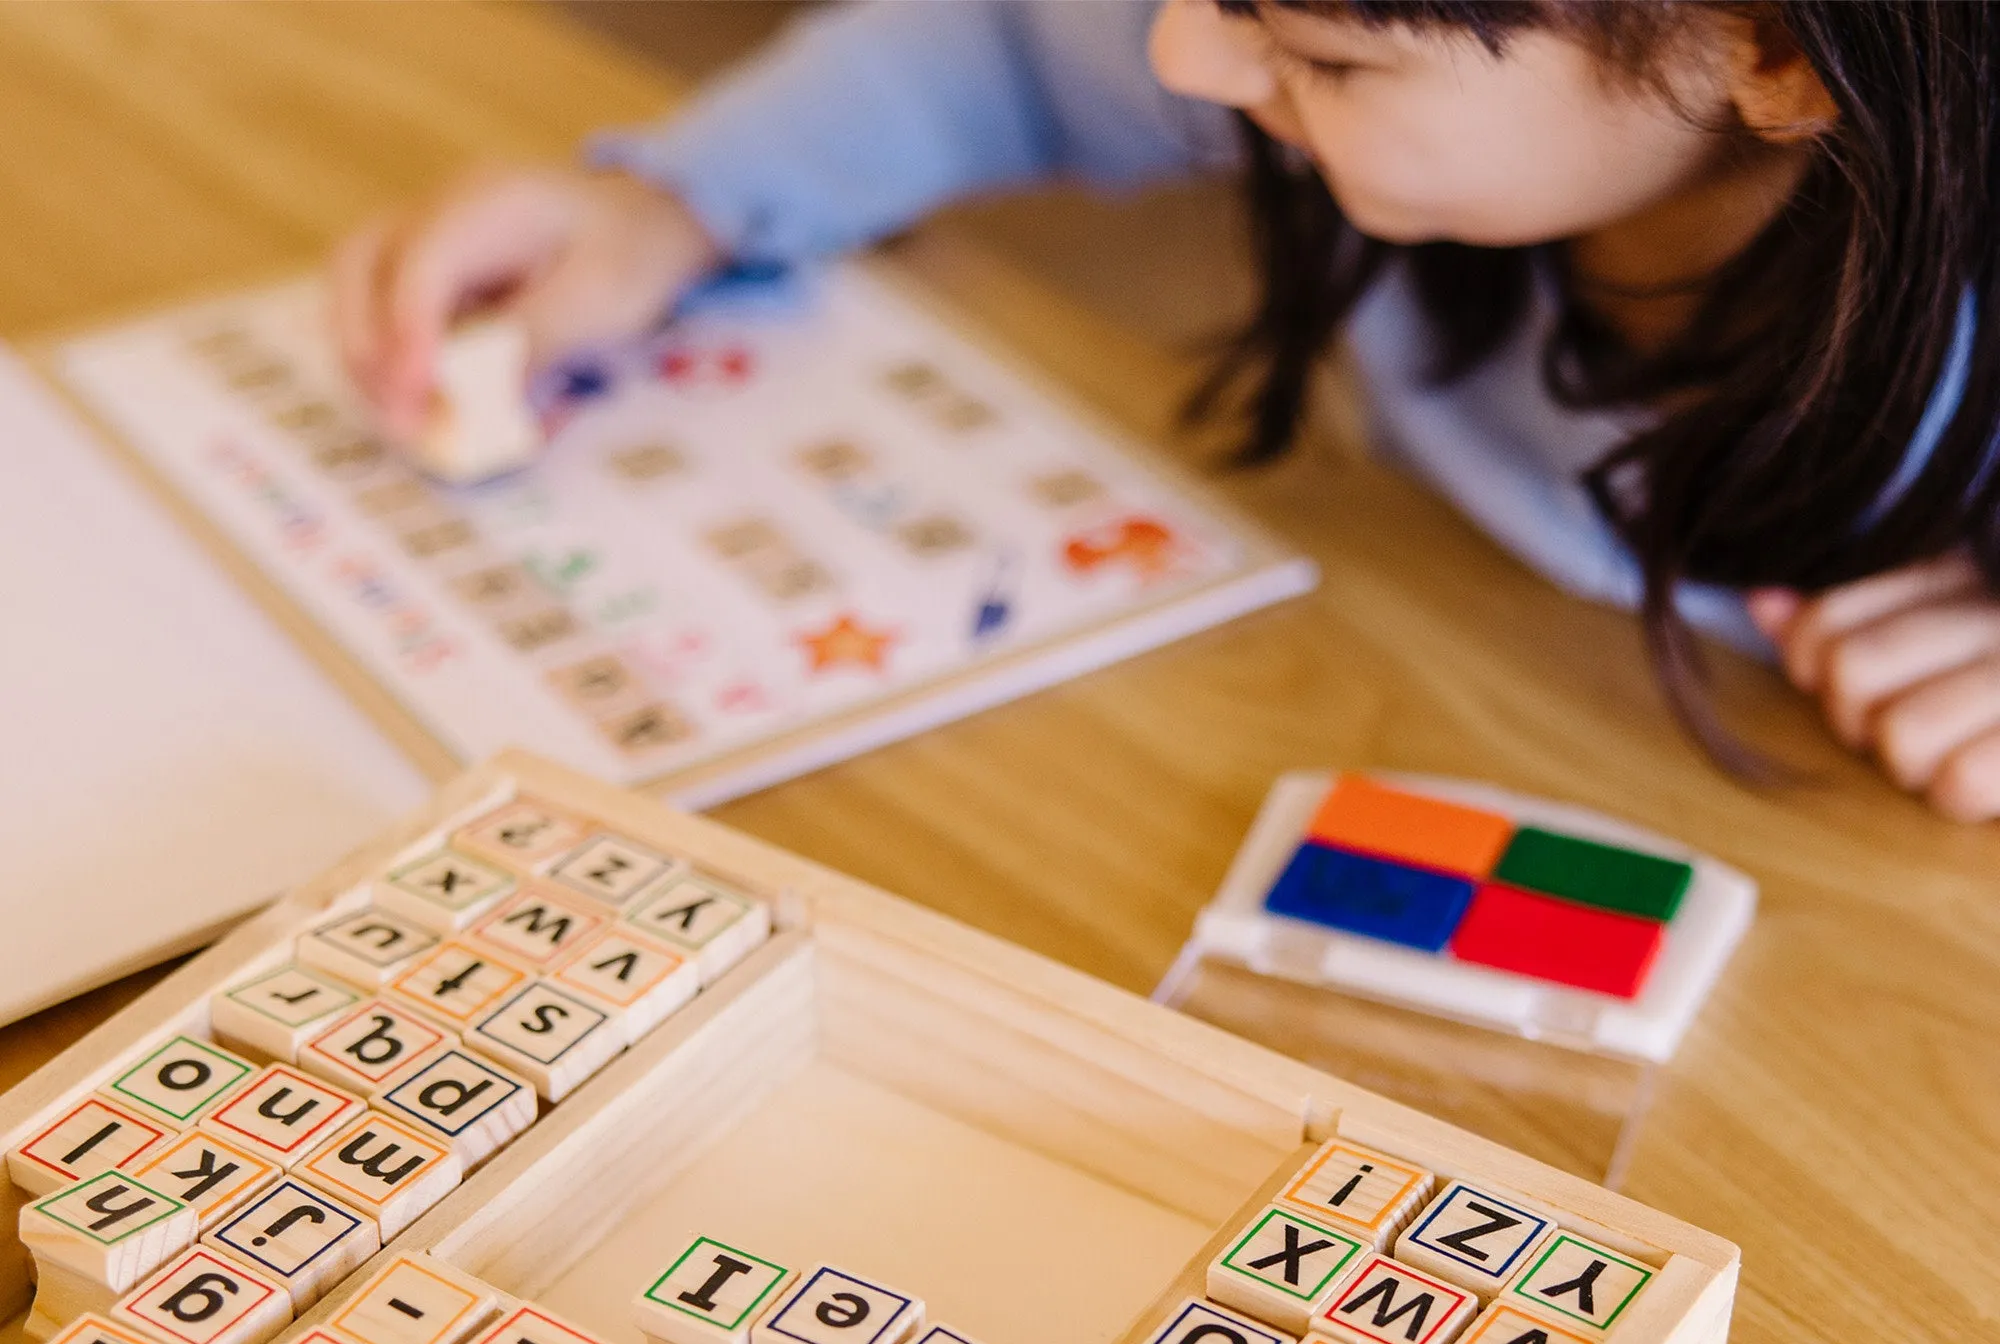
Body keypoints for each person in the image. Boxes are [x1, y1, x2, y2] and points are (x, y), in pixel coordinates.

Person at [330, 0, 2000, 820]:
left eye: (1324, 58)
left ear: (1777, 56)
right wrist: (678, 205)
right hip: (1413, 678)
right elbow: (1003, 44)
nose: (1185, 54)